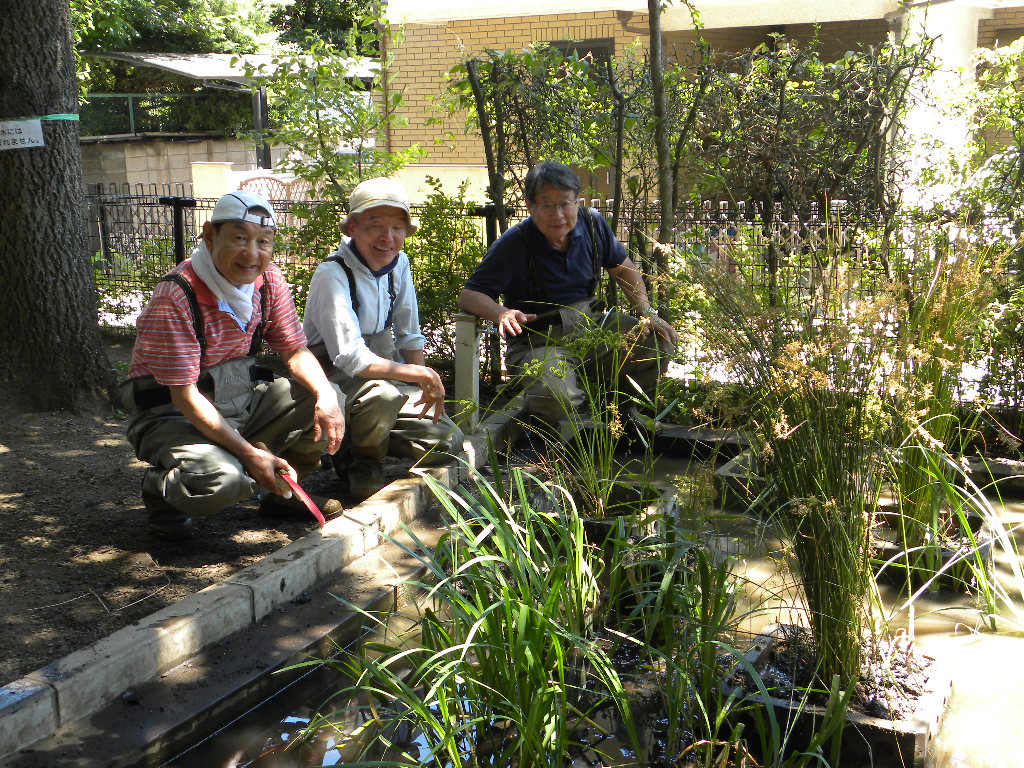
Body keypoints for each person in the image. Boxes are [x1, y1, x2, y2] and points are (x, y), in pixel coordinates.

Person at [122, 190, 346, 541]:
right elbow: (184, 397)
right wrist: (250, 454)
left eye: (263, 241)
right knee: (225, 480)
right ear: (210, 236)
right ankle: (161, 492)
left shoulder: (268, 282)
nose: (252, 253)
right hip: (172, 415)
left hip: (238, 399)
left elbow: (295, 350)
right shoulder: (177, 295)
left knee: (325, 395)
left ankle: (283, 491)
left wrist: (325, 397)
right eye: (239, 238)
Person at [459, 161, 679, 424]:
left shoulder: (592, 225)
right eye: (548, 205)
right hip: (538, 340)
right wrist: (501, 312)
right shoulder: (514, 243)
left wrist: (646, 311)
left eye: (565, 203)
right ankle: (554, 420)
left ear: (577, 201)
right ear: (530, 206)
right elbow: (470, 294)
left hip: (592, 328)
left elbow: (624, 270)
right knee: (556, 396)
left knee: (657, 342)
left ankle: (621, 416)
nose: (558, 214)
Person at [303, 177, 464, 500]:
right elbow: (350, 357)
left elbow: (409, 334)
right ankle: (360, 460)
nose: (387, 238)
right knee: (383, 396)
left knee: (447, 440)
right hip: (333, 380)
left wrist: (424, 394)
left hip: (381, 374)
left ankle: (364, 437)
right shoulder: (332, 275)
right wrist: (417, 373)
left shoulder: (398, 264)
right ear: (352, 228)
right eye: (375, 226)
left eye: (397, 228)